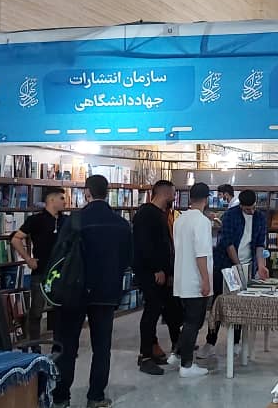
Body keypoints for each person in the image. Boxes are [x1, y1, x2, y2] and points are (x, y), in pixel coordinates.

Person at [53, 175, 133, 408]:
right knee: (102, 346)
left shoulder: (75, 220)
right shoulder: (121, 224)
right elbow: (128, 259)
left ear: (87, 192)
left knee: (67, 345)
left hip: (74, 291)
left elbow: (59, 254)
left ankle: (61, 397)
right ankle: (96, 396)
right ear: (107, 193)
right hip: (106, 292)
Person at [200, 189, 269, 358]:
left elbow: (259, 244)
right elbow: (228, 243)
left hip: (247, 265)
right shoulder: (230, 216)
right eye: (247, 209)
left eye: (253, 208)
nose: (251, 212)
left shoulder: (260, 218)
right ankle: (210, 341)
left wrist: (261, 265)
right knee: (219, 302)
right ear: (241, 206)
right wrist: (237, 265)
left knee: (240, 304)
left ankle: (236, 342)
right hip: (226, 265)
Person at [132, 180, 183, 375]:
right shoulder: (146, 214)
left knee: (166, 309)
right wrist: (156, 269)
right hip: (151, 273)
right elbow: (144, 245)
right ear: (165, 193)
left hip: (162, 273)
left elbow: (163, 244)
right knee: (151, 312)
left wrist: (168, 271)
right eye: (173, 194)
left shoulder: (161, 214)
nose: (174, 197)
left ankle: (156, 349)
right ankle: (145, 356)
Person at [10, 186, 66, 350]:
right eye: (61, 198)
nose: (65, 202)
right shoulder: (36, 220)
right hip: (41, 271)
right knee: (36, 312)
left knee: (61, 311)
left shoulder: (66, 221)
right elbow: (16, 239)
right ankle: (35, 347)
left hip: (61, 272)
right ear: (51, 199)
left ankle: (59, 347)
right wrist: (28, 259)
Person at [173, 182, 213, 378]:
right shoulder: (202, 222)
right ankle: (186, 365)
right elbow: (201, 253)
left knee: (188, 321)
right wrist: (205, 280)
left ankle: (177, 354)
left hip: (182, 277)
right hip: (196, 279)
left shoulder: (180, 220)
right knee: (193, 322)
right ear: (207, 199)